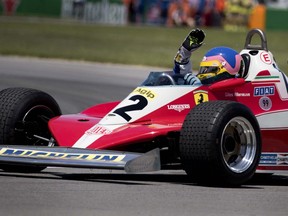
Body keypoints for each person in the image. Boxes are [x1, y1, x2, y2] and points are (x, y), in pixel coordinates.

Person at [174, 28, 244, 85]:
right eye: (203, 69)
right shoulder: (198, 83)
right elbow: (179, 78)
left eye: (211, 69)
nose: (204, 74)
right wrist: (184, 52)